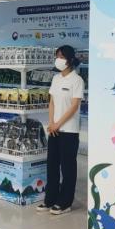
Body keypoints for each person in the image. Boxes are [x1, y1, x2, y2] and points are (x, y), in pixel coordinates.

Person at [37, 45, 83, 215]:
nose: (58, 60)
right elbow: (52, 102)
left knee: (68, 167)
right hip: (54, 129)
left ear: (70, 60)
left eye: (62, 57)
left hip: (69, 131)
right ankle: (50, 199)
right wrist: (51, 122)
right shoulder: (56, 78)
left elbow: (74, 106)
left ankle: (65, 202)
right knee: (52, 165)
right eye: (57, 56)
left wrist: (59, 123)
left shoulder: (77, 80)